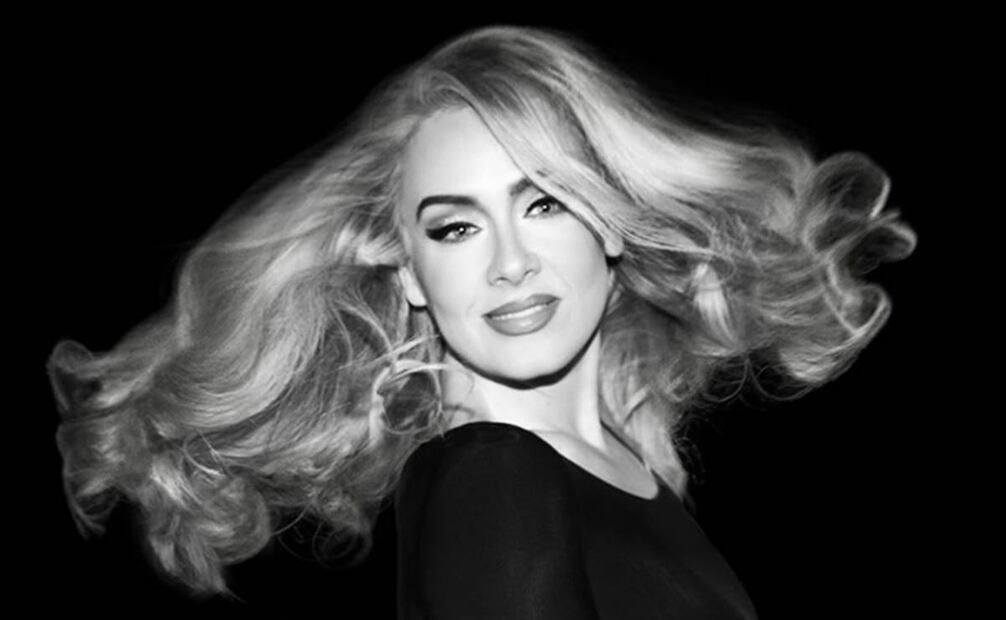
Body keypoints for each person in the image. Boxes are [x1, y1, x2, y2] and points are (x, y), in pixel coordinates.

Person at [47, 25, 916, 617]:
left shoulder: (628, 471)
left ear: (609, 221)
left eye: (544, 204)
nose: (510, 261)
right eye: (455, 228)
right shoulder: (495, 479)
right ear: (411, 272)